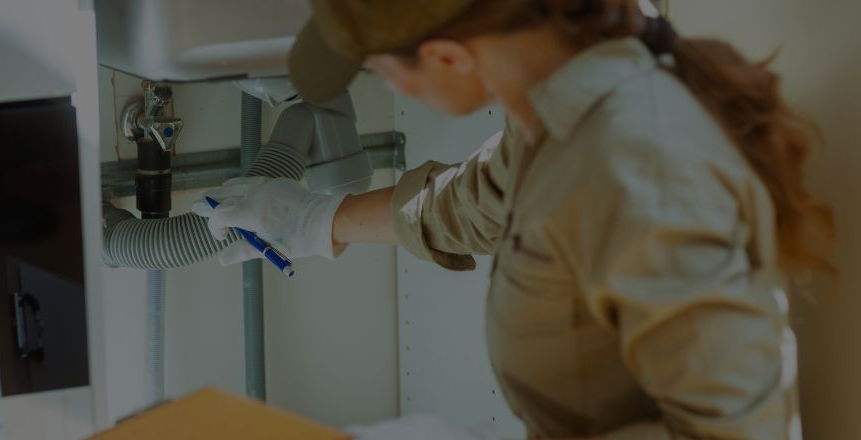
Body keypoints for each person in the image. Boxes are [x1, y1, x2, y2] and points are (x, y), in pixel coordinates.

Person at [192, 0, 834, 438]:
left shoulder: (642, 165)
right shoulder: (563, 113)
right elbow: (474, 200)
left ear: (446, 57)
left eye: (378, 66)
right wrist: (313, 220)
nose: (381, 84)